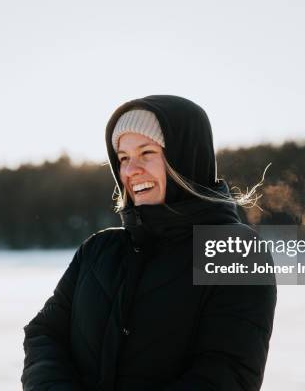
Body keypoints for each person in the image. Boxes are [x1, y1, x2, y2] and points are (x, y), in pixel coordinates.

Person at [22, 95, 277, 391]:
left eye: (146, 153)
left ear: (186, 158)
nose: (131, 171)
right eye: (123, 158)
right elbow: (44, 334)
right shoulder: (98, 250)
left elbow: (228, 372)